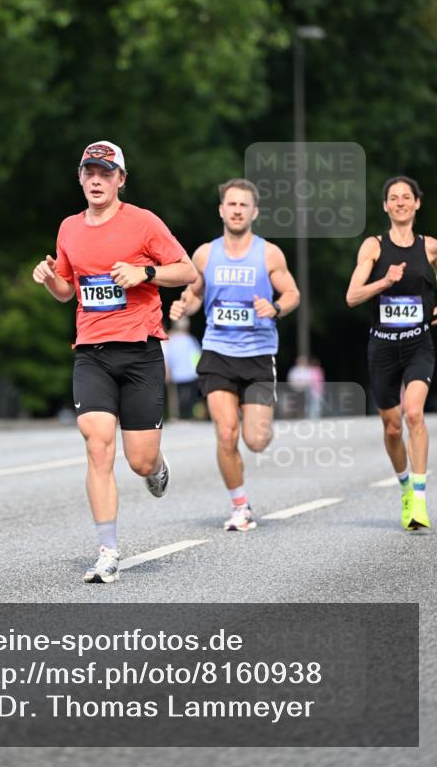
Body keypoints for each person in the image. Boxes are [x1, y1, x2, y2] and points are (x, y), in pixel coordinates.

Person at [32, 141, 196, 583]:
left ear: (121, 179)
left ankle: (156, 467)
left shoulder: (143, 222)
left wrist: (145, 273)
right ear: (81, 178)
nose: (96, 180)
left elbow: (186, 271)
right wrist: (50, 280)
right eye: (89, 172)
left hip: (140, 352)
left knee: (139, 461)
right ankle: (107, 550)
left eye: (106, 173)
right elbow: (69, 289)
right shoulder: (69, 228)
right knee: (97, 444)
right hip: (91, 353)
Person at [170, 178, 300, 531]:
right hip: (218, 352)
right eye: (232, 204)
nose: (237, 210)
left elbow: (291, 293)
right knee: (226, 435)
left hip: (258, 353)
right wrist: (185, 307)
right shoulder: (205, 254)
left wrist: (274, 307)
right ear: (221, 210)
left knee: (255, 440)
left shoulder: (269, 253)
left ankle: (260, 422)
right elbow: (194, 293)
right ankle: (239, 506)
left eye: (244, 205)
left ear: (254, 212)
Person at [346, 175, 437, 531]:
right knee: (391, 427)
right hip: (382, 346)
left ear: (417, 203)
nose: (400, 202)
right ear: (385, 206)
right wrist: (385, 281)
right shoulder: (373, 246)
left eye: (406, 197)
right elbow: (352, 297)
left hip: (419, 343)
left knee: (414, 413)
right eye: (393, 198)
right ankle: (403, 487)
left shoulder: (430, 247)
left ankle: (418, 499)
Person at [162, 318, 201, 419]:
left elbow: (165, 356)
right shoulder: (190, 339)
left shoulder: (170, 340)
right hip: (190, 374)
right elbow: (196, 355)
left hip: (175, 373)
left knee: (175, 396)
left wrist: (167, 371)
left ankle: (176, 416)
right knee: (189, 396)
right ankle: (188, 415)